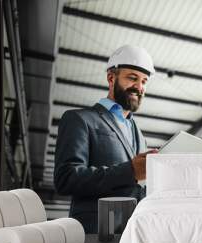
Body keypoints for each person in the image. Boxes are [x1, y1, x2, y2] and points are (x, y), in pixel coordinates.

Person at [54, 45, 157, 233]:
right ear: (111, 77)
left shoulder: (139, 136)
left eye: (144, 81)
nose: (139, 87)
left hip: (133, 234)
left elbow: (136, 188)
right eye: (132, 78)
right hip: (95, 234)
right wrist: (131, 170)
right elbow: (66, 178)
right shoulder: (80, 119)